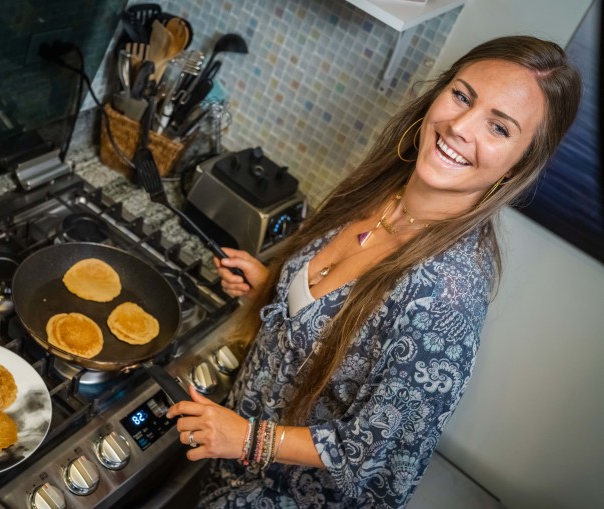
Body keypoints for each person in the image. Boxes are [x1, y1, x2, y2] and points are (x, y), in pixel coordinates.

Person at [165, 35, 582, 508]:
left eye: (499, 128)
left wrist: (246, 439)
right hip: (232, 465)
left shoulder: (447, 291)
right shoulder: (382, 191)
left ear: (519, 164)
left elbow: (368, 453)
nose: (460, 126)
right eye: (462, 96)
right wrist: (275, 289)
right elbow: (341, 328)